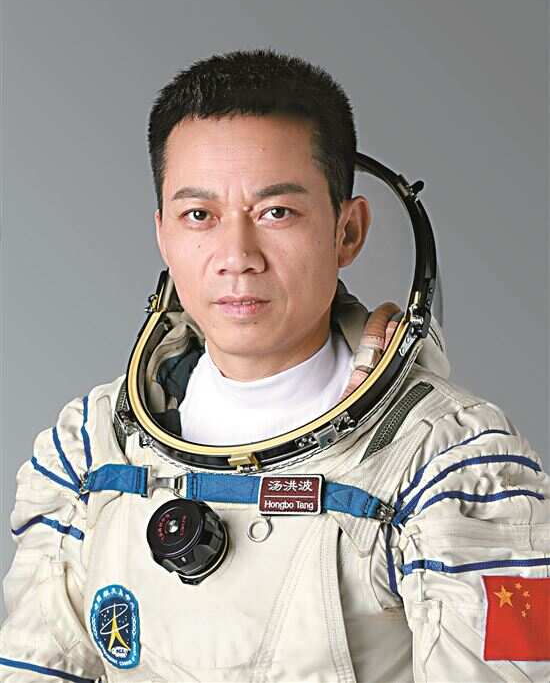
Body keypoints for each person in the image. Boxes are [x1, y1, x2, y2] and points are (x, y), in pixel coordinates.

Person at [1, 49, 548, 683]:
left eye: (276, 212)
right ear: (162, 234)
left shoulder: (453, 463)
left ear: (347, 231)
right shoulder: (90, 448)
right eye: (199, 216)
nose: (237, 255)